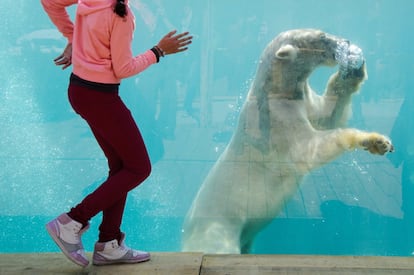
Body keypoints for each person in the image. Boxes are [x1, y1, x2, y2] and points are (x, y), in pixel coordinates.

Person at [40, 0, 192, 267]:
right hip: (101, 97)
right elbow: (124, 69)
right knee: (139, 168)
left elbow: (49, 2)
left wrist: (74, 37)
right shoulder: (121, 15)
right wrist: (158, 51)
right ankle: (72, 221)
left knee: (121, 166)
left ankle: (108, 244)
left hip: (80, 91)